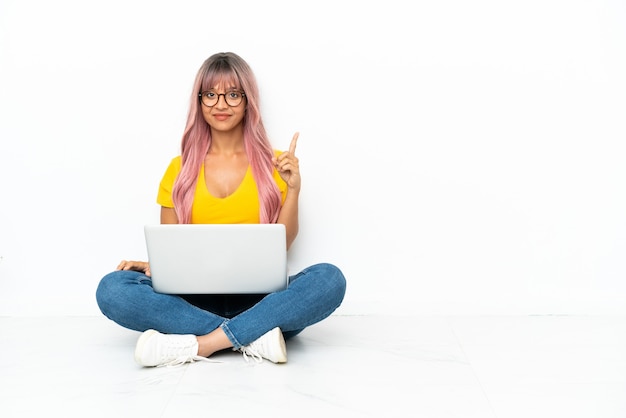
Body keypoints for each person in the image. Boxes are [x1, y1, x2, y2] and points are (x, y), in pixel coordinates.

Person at [95, 52, 346, 367]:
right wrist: (153, 265)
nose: (221, 104)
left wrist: (293, 189)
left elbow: (283, 245)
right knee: (113, 289)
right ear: (199, 102)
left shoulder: (276, 164)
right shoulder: (179, 169)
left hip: (261, 300)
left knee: (329, 279)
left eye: (232, 94)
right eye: (211, 95)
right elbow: (172, 252)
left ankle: (202, 344)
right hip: (193, 302)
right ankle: (252, 337)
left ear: (247, 101)